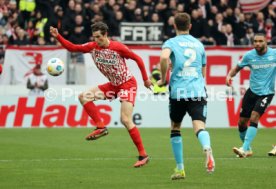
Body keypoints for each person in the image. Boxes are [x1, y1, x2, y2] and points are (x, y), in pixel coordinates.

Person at [49, 22, 152, 167]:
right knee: (84, 97)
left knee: (125, 119)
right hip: (113, 85)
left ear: (105, 35)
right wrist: (58, 36)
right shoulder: (92, 47)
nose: (96, 40)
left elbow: (138, 59)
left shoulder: (118, 47)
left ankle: (143, 155)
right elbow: (72, 48)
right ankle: (101, 127)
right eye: (94, 37)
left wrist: (146, 79)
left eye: (98, 37)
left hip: (127, 84)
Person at [157, 13, 215, 180]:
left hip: (178, 92)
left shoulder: (170, 43)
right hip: (197, 91)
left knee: (175, 127)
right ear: (190, 26)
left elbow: (163, 58)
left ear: (174, 26)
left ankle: (180, 169)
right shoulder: (199, 44)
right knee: (199, 126)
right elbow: (203, 72)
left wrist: (163, 78)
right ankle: (207, 147)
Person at [226, 33, 276, 158]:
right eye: (255, 41)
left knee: (254, 117)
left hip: (267, 93)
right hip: (252, 92)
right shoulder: (249, 55)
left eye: (260, 41)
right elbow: (237, 68)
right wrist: (229, 76)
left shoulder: (274, 54)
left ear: (266, 41)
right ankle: (248, 149)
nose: (257, 43)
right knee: (242, 123)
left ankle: (244, 148)